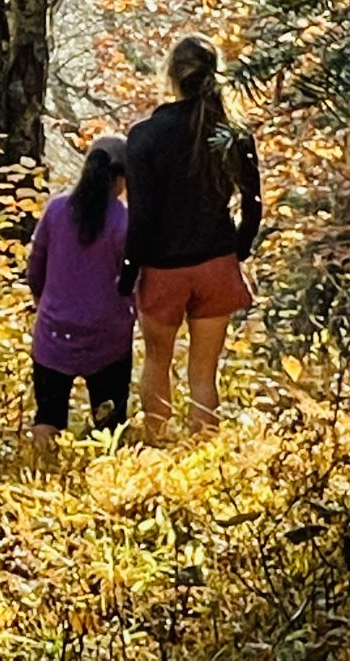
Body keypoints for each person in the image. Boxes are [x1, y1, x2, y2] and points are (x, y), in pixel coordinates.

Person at [118, 35, 261, 437]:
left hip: (163, 269)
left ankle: (157, 444)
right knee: (204, 373)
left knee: (157, 361)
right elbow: (253, 202)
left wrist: (128, 274)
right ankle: (204, 452)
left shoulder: (145, 136)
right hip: (216, 263)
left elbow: (141, 217)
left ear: (170, 76)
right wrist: (238, 249)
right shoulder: (233, 133)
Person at [28, 136, 135, 444]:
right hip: (108, 337)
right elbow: (133, 279)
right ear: (120, 178)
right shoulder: (123, 220)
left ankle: (40, 467)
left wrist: (41, 300)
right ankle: (108, 469)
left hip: (54, 332)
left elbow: (36, 264)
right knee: (110, 421)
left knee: (48, 416)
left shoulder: (56, 210)